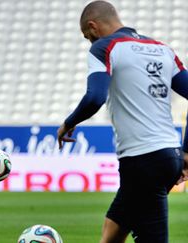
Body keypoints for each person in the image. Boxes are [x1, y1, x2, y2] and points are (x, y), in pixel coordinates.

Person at [57, 1, 188, 242]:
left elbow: (95, 97)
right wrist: (187, 151)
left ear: (93, 27)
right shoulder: (162, 49)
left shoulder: (105, 47)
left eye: (88, 37)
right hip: (170, 156)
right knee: (113, 230)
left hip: (142, 160)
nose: (90, 42)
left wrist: (68, 123)